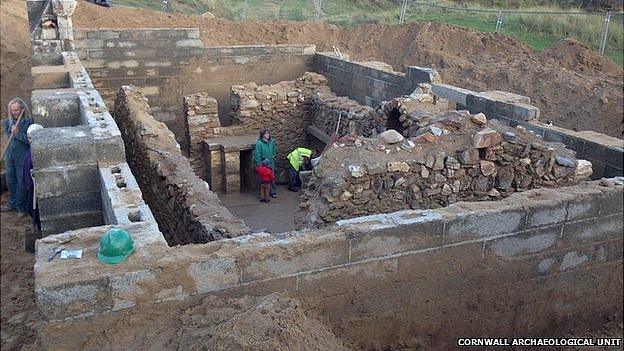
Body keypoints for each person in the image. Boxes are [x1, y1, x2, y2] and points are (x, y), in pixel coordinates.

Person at [2, 98, 33, 217]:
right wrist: (13, 131)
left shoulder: (29, 123)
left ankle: (21, 207)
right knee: (10, 179)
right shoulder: (8, 123)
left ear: (23, 109)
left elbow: (29, 141)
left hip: (23, 156)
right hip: (10, 154)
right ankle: (12, 203)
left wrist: (18, 133)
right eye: (12, 110)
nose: (15, 113)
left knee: (22, 181)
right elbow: (10, 137)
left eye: (17, 110)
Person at [24, 124, 43, 231]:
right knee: (30, 208)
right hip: (31, 186)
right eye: (29, 138)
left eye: (32, 138)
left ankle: (40, 228)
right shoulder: (30, 150)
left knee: (33, 210)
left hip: (36, 187)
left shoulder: (39, 153)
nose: (30, 140)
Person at [253, 128, 277, 198]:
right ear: (262, 135)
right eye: (265, 134)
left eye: (268, 133)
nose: (267, 135)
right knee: (263, 179)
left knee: (272, 177)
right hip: (264, 163)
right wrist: (259, 165)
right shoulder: (259, 143)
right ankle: (262, 193)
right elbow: (257, 155)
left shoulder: (271, 141)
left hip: (271, 162)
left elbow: (274, 148)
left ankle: (273, 192)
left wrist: (273, 154)